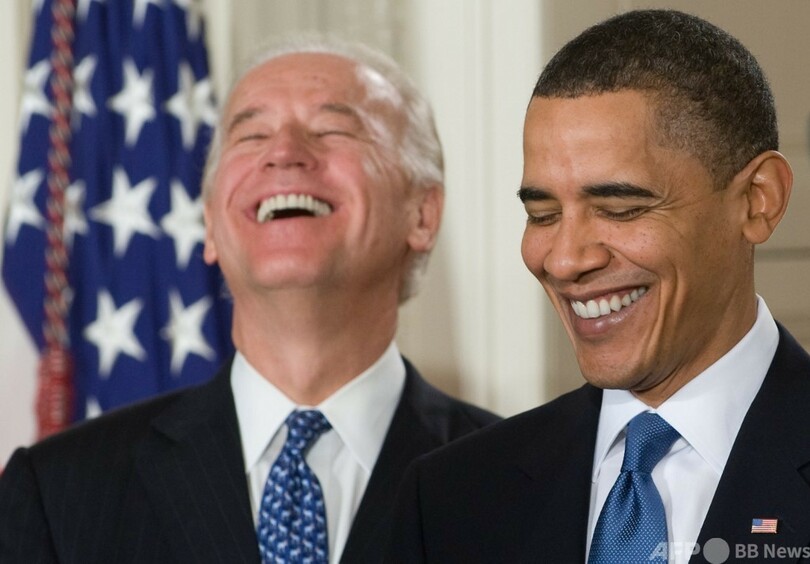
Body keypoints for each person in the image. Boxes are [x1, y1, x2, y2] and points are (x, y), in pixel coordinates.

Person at [0, 35, 500, 563]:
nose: (283, 153)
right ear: (211, 225)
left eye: (332, 129)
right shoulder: (57, 493)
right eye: (252, 134)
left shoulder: (517, 482)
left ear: (422, 214)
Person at [387, 9, 810, 564]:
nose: (565, 260)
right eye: (542, 215)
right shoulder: (449, 499)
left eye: (619, 208)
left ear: (758, 201)